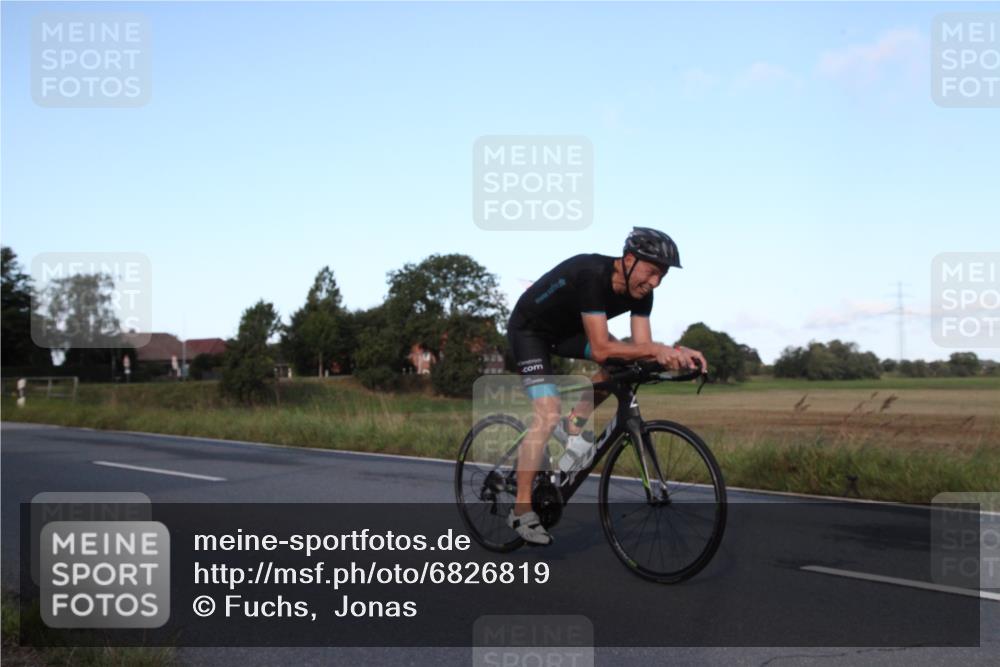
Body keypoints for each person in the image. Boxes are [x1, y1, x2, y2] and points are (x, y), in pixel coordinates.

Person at [505, 227, 708, 545]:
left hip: (569, 331)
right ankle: (520, 509)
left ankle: (573, 433)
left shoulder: (643, 293)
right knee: (547, 410)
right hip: (531, 331)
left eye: (662, 276)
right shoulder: (591, 274)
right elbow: (601, 349)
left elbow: (642, 347)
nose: (655, 282)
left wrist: (679, 355)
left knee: (622, 369)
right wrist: (658, 350)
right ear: (629, 260)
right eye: (652, 272)